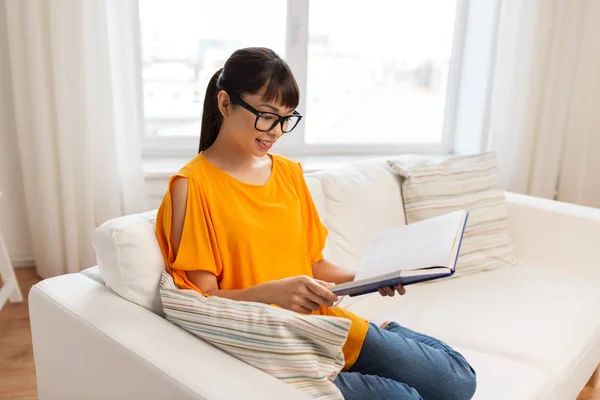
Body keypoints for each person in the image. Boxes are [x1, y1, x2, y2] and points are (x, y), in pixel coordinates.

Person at [155, 47, 476, 400]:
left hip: (328, 328)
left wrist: (369, 278)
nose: (276, 131)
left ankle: (387, 331)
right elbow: (206, 302)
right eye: (266, 116)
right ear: (225, 103)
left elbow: (316, 264)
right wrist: (275, 292)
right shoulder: (191, 187)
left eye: (286, 119)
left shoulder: (290, 174)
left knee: (459, 383)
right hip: (280, 350)